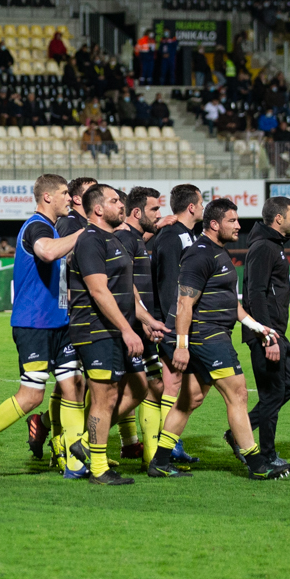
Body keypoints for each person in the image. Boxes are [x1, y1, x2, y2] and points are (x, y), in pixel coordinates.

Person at [149, 199, 290, 481]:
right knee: (238, 393)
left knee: (191, 399)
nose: (239, 225)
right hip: (207, 336)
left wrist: (256, 326)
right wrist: (181, 345)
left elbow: (229, 303)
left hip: (213, 333)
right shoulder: (199, 254)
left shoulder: (219, 253)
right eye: (232, 221)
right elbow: (184, 303)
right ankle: (257, 464)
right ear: (214, 224)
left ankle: (160, 462)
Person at [0, 174, 85, 477]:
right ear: (48, 198)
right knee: (32, 396)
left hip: (58, 323)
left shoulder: (52, 227)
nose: (70, 198)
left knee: (75, 386)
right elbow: (48, 252)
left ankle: (74, 461)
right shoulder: (37, 226)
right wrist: (86, 233)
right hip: (34, 324)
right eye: (65, 193)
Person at [66, 184, 165, 485]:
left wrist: (145, 320)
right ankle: (98, 467)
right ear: (97, 209)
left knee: (135, 388)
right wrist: (126, 329)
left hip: (116, 329)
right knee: (103, 398)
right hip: (97, 330)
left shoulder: (115, 240)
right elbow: (98, 290)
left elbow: (128, 290)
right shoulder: (90, 240)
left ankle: (86, 443)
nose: (120, 205)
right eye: (113, 201)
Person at [240, 196, 290, 471]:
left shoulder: (272, 245)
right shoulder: (264, 247)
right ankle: (266, 456)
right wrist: (267, 337)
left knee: (288, 387)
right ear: (278, 218)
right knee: (272, 394)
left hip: (274, 332)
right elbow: (255, 294)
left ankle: (239, 432)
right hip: (266, 334)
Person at [112, 186, 171, 466]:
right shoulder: (125, 239)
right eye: (155, 210)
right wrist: (146, 319)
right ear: (137, 212)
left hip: (138, 325)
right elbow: (126, 287)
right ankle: (84, 440)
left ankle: (150, 456)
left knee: (150, 386)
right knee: (139, 387)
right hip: (132, 327)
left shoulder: (135, 238)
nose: (159, 214)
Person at [148, 184, 203, 467]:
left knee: (172, 382)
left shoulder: (189, 234)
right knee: (174, 382)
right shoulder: (170, 236)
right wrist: (175, 320)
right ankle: (169, 445)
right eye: (201, 203)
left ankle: (166, 444)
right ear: (192, 206)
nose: (203, 208)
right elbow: (169, 282)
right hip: (172, 319)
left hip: (179, 319)